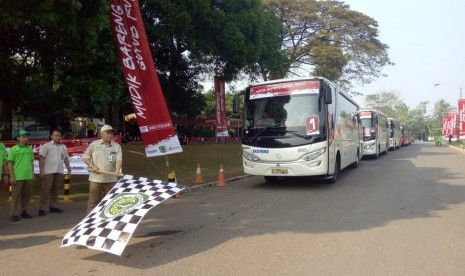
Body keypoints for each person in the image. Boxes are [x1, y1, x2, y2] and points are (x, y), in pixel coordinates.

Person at [83, 125, 123, 213]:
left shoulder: (116, 146)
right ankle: (91, 222)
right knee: (93, 203)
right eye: (108, 133)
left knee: (111, 202)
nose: (110, 135)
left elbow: (118, 160)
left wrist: (117, 171)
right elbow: (85, 157)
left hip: (111, 179)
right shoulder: (94, 144)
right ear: (102, 134)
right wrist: (91, 165)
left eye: (111, 133)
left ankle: (109, 222)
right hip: (95, 179)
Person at [38, 129, 71, 216]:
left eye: (59, 136)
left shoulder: (63, 147)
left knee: (55, 190)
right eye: (56, 135)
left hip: (59, 171)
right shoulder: (46, 146)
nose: (58, 137)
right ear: (51, 136)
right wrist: (42, 171)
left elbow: (66, 159)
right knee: (46, 190)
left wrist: (69, 169)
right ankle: (42, 208)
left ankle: (53, 206)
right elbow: (41, 159)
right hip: (48, 172)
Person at [7, 130, 35, 221]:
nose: (26, 138)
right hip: (18, 176)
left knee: (27, 196)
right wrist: (11, 176)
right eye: (23, 137)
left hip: (28, 176)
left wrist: (32, 173)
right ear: (18, 138)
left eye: (27, 137)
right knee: (15, 196)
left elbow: (31, 162)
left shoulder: (29, 149)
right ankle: (13, 213)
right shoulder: (13, 149)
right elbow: (10, 164)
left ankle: (24, 211)